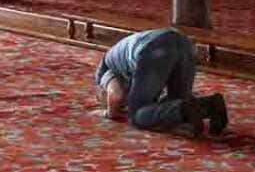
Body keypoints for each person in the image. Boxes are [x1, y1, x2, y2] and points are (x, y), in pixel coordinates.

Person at [94, 27, 228, 136]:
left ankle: (186, 109)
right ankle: (210, 105)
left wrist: (109, 113)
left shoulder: (104, 70)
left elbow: (116, 95)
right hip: (183, 43)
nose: (123, 105)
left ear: (101, 92)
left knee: (136, 115)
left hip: (154, 48)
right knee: (177, 99)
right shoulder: (123, 62)